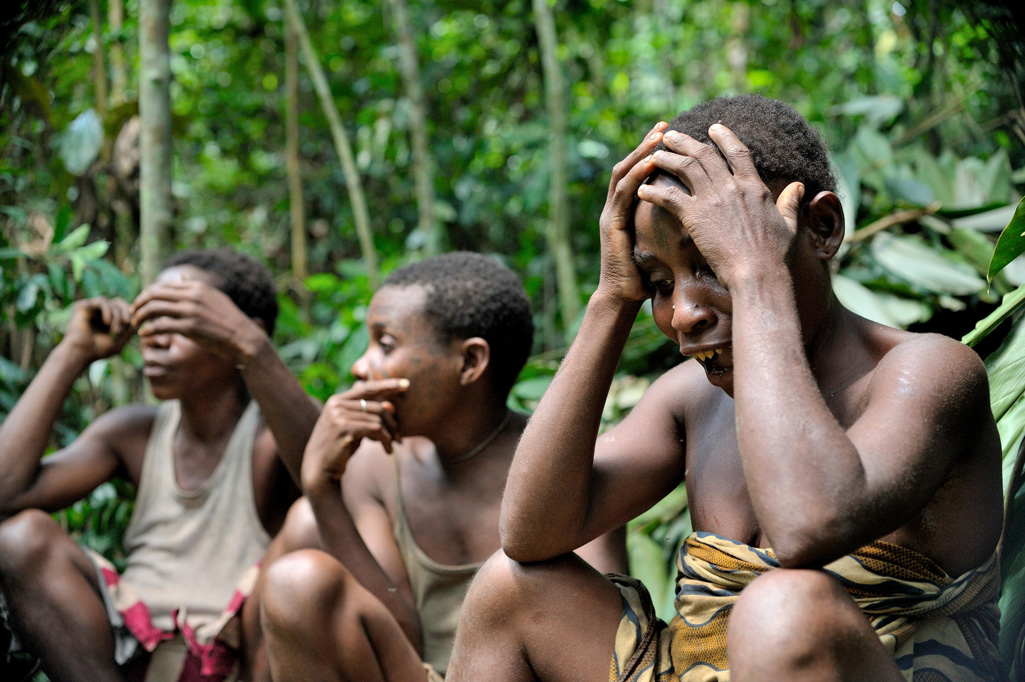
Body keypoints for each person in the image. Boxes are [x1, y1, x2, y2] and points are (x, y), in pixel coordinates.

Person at [445, 95, 1007, 682]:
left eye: (711, 262)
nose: (683, 313)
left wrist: (753, 271)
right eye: (660, 282)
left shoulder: (929, 371)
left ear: (821, 228)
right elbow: (532, 534)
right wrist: (611, 297)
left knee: (783, 609)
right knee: (508, 587)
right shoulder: (690, 399)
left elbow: (806, 526)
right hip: (698, 669)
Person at [255, 252, 628, 682]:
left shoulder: (566, 464)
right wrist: (319, 486)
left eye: (386, 344)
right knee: (295, 579)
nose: (360, 366)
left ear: (470, 363)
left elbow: (604, 645)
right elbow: (399, 637)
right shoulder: (380, 465)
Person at [0, 249, 319, 682]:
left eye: (180, 323)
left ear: (242, 331)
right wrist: (74, 350)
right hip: (128, 653)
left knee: (307, 525)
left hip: (240, 656)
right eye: (151, 323)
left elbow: (326, 485)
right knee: (19, 539)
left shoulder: (275, 435)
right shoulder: (134, 432)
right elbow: (6, 491)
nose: (155, 340)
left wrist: (251, 346)